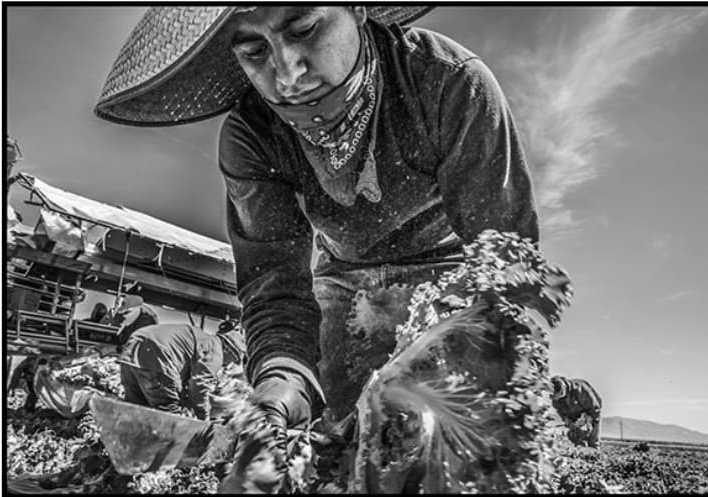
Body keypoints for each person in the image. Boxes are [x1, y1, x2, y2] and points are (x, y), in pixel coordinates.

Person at [95, 7, 539, 430]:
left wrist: (472, 356)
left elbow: (501, 261)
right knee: (336, 433)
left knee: (444, 428)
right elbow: (275, 285)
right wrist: (280, 378)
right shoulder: (252, 137)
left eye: (305, 29)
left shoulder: (449, 83)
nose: (288, 74)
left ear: (359, 9)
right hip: (342, 279)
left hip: (448, 275)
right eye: (254, 52)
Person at [117, 323, 227, 420]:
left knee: (137, 411)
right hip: (157, 355)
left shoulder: (200, 338)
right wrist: (203, 417)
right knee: (170, 415)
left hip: (132, 350)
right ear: (229, 350)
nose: (226, 364)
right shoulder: (216, 349)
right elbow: (200, 385)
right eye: (233, 360)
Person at [551, 375, 603, 448]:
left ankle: (594, 453)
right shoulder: (556, 399)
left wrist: (589, 421)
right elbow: (560, 412)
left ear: (565, 387)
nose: (559, 397)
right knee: (573, 436)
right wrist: (568, 422)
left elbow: (595, 408)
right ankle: (581, 451)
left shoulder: (580, 389)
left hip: (591, 411)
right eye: (557, 396)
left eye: (561, 394)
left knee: (593, 441)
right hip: (573, 415)